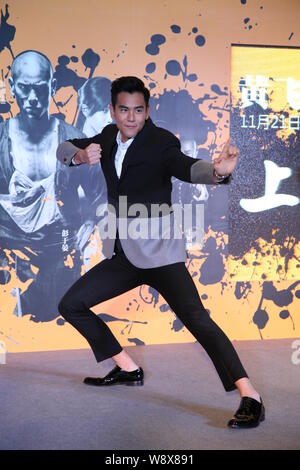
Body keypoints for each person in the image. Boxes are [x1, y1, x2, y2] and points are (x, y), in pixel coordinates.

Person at [56, 76, 265, 429]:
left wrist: (216, 171)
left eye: (138, 110)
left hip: (161, 256)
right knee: (71, 304)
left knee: (198, 320)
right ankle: (128, 368)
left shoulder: (161, 142)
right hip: (123, 255)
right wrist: (78, 156)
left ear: (147, 111)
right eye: (124, 110)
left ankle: (251, 396)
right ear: (113, 110)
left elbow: (185, 166)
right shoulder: (107, 137)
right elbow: (64, 147)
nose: (131, 118)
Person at [0, 50, 106, 321]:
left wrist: (89, 223)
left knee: (54, 312)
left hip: (59, 245)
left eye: (40, 88)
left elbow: (98, 192)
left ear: (53, 87)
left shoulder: (74, 137)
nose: (32, 98)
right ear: (12, 87)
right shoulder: (1, 140)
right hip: (8, 245)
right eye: (24, 88)